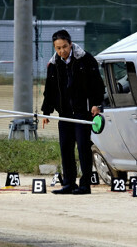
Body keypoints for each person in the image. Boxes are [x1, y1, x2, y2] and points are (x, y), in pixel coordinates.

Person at [42, 30, 105, 195]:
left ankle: (85, 184)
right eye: (58, 48)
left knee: (83, 147)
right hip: (64, 113)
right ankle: (69, 183)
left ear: (70, 44)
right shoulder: (54, 64)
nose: (62, 51)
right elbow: (49, 89)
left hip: (82, 112)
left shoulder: (85, 59)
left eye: (64, 47)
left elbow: (97, 84)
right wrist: (46, 111)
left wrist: (96, 104)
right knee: (65, 147)